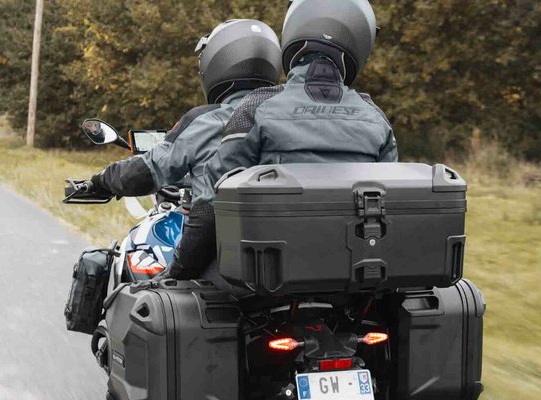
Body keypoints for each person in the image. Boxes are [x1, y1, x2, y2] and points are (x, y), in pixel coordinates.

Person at [169, 0, 398, 280]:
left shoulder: (256, 106)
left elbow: (211, 201)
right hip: (356, 278)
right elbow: (392, 202)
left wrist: (178, 271)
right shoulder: (376, 117)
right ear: (362, 41)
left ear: (294, 28)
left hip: (268, 284)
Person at [86, 19, 282, 278]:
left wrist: (101, 181)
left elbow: (149, 169)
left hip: (216, 264)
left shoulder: (206, 120)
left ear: (216, 61)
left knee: (129, 273)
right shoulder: (290, 116)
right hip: (286, 262)